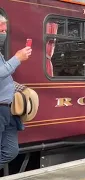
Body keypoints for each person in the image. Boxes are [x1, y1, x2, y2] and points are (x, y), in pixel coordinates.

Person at [0, 14, 32, 169]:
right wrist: (17, 58)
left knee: (11, 151)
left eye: (5, 30)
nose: (3, 33)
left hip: (7, 110)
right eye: (1, 29)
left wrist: (19, 88)